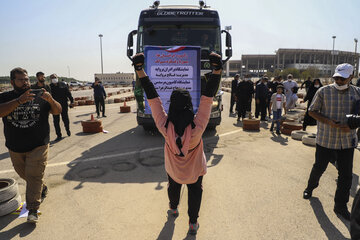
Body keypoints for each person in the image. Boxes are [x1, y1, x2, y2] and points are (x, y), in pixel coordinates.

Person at [132, 52, 222, 235]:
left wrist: (139, 70)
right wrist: (217, 70)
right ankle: (192, 224)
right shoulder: (198, 127)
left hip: (173, 171)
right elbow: (207, 98)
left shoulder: (164, 126)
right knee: (195, 193)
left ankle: (173, 208)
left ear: (171, 106)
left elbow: (153, 98)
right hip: (195, 172)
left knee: (173, 189)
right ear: (189, 106)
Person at [0, 67, 62, 223]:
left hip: (38, 144)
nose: (25, 82)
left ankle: (33, 209)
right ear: (13, 81)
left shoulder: (40, 94)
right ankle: (42, 187)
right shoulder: (5, 97)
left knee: (33, 175)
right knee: (26, 175)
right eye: (21, 79)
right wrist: (19, 101)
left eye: (26, 79)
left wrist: (51, 100)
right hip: (15, 146)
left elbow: (57, 111)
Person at [303, 63, 360, 221]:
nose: (339, 81)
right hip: (326, 140)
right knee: (319, 168)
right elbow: (312, 111)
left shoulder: (357, 93)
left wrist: (352, 125)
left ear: (351, 77)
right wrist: (328, 122)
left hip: (347, 142)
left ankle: (340, 206)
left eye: (343, 78)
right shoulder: (324, 91)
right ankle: (310, 188)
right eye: (337, 77)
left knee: (346, 176)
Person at [50, 73, 74, 141]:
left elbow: (68, 94)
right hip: (54, 106)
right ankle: (58, 135)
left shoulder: (63, 84)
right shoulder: (50, 87)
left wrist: (72, 101)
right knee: (56, 121)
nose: (54, 79)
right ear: (50, 79)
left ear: (57, 78)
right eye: (52, 78)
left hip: (64, 105)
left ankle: (67, 130)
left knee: (65, 119)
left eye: (55, 77)